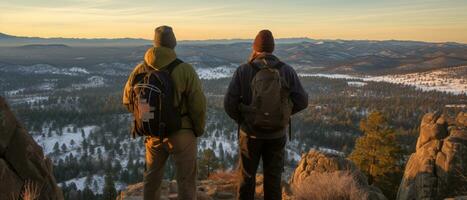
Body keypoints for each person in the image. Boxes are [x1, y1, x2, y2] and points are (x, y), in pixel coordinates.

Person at [122, 25, 206, 200]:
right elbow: (197, 105)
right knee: (186, 180)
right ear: (173, 43)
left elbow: (127, 101)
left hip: (152, 134)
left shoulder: (140, 70)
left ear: (155, 43)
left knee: (152, 178)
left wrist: (148, 117)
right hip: (181, 133)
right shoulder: (185, 69)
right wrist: (197, 129)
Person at [224, 30, 308, 200]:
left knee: (247, 178)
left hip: (250, 134)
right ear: (273, 48)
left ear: (255, 48)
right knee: (273, 179)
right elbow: (302, 101)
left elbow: (229, 104)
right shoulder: (287, 70)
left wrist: (243, 119)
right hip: (276, 135)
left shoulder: (244, 70)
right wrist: (283, 114)